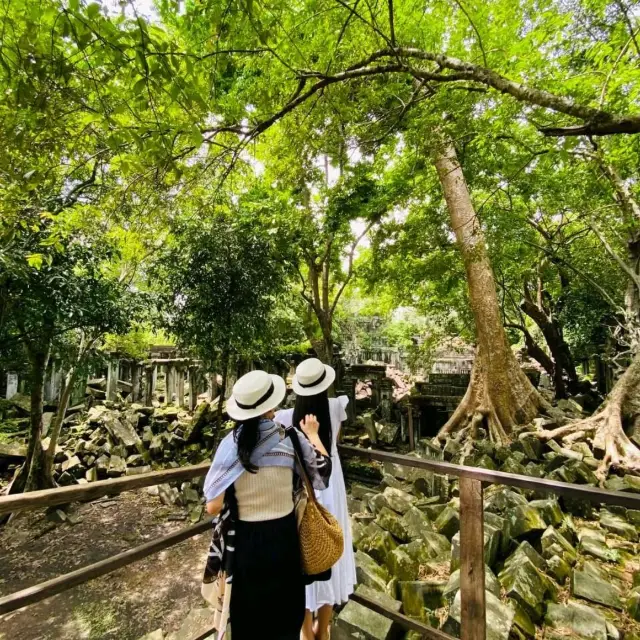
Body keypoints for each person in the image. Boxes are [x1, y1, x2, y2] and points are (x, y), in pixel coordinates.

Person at [203, 370, 332, 640]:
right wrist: (314, 435)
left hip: (246, 545)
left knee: (249, 621)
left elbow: (213, 506)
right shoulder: (291, 438)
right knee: (285, 617)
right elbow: (321, 475)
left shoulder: (230, 445)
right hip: (284, 539)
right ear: (270, 405)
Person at [275, 358, 357, 640]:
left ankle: (306, 628)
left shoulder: (285, 417)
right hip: (330, 485)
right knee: (329, 548)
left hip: (300, 489)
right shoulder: (335, 408)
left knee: (304, 550)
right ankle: (324, 627)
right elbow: (333, 444)